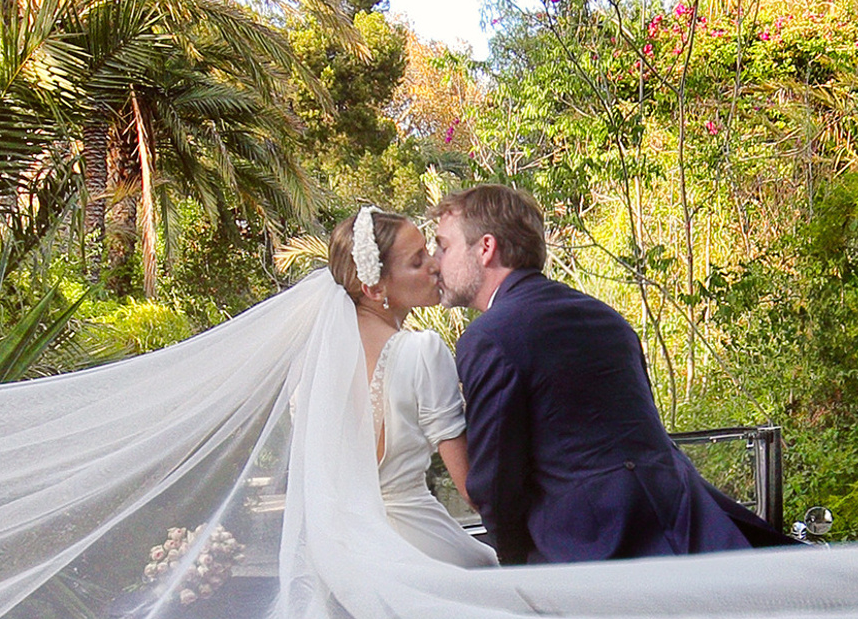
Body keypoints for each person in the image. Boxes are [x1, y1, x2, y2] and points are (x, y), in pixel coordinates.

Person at [433, 183, 789, 566]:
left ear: (486, 248)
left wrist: (518, 572)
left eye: (444, 245)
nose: (436, 261)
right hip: (686, 523)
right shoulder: (605, 317)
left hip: (588, 546)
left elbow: (497, 483)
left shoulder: (489, 337)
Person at [329, 205, 496, 567]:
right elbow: (470, 488)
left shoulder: (318, 362)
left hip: (346, 554)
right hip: (418, 545)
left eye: (430, 252)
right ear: (375, 288)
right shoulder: (421, 351)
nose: (435, 265)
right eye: (418, 261)